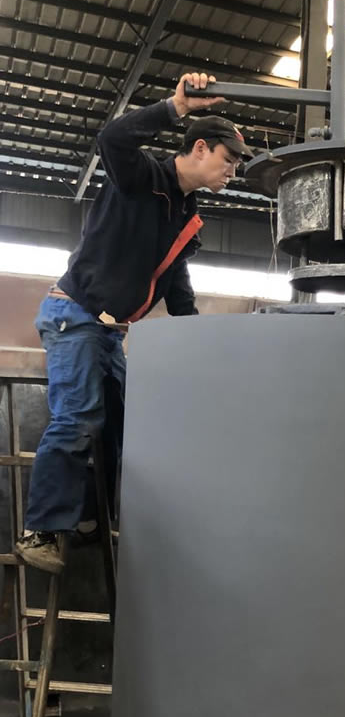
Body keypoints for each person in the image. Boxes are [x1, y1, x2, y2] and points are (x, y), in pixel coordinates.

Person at [15, 71, 246, 575]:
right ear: (200, 148)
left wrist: (200, 338)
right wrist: (176, 107)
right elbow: (112, 138)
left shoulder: (185, 211)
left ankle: (88, 519)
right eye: (228, 160)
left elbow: (176, 279)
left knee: (122, 425)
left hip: (106, 329)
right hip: (73, 313)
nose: (233, 171)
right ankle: (42, 531)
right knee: (78, 417)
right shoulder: (141, 177)